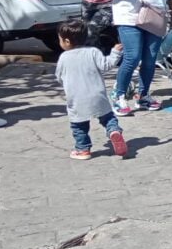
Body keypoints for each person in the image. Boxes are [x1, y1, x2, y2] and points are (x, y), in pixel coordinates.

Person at [54, 19, 128, 160]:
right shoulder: (93, 52)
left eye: (60, 39)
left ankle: (83, 150)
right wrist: (115, 53)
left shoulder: (63, 57)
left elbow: (59, 76)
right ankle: (113, 131)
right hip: (97, 96)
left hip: (76, 99)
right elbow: (107, 65)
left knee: (79, 126)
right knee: (108, 118)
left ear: (67, 41)